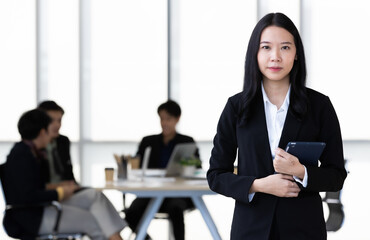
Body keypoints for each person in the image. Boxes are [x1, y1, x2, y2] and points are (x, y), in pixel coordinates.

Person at [207, 12, 347, 240]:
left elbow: (336, 175)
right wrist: (259, 185)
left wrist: (300, 172)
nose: (275, 57)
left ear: (296, 54)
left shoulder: (320, 106)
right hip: (251, 230)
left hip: (303, 229)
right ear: (255, 53)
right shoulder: (236, 107)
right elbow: (216, 175)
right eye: (266, 48)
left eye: (284, 48)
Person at [2, 109, 126, 240]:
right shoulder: (22, 156)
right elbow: (28, 196)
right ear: (42, 132)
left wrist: (60, 186)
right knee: (90, 220)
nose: (53, 135)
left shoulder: (32, 152)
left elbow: (34, 186)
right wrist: (60, 192)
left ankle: (115, 237)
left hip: (40, 208)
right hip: (32, 217)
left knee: (94, 195)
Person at [125, 100, 199, 240]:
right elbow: (138, 165)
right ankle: (145, 238)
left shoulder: (187, 141)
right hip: (151, 193)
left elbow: (197, 168)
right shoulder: (148, 141)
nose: (164, 123)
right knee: (131, 213)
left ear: (177, 119)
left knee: (175, 208)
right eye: (162, 119)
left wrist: (187, 166)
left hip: (178, 194)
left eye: (168, 119)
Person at [37, 100, 77, 188]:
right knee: (93, 196)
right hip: (49, 194)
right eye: (51, 121)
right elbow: (36, 186)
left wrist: (75, 186)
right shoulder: (34, 145)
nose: (57, 125)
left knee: (95, 194)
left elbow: (69, 172)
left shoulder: (63, 141)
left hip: (67, 191)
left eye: (59, 120)